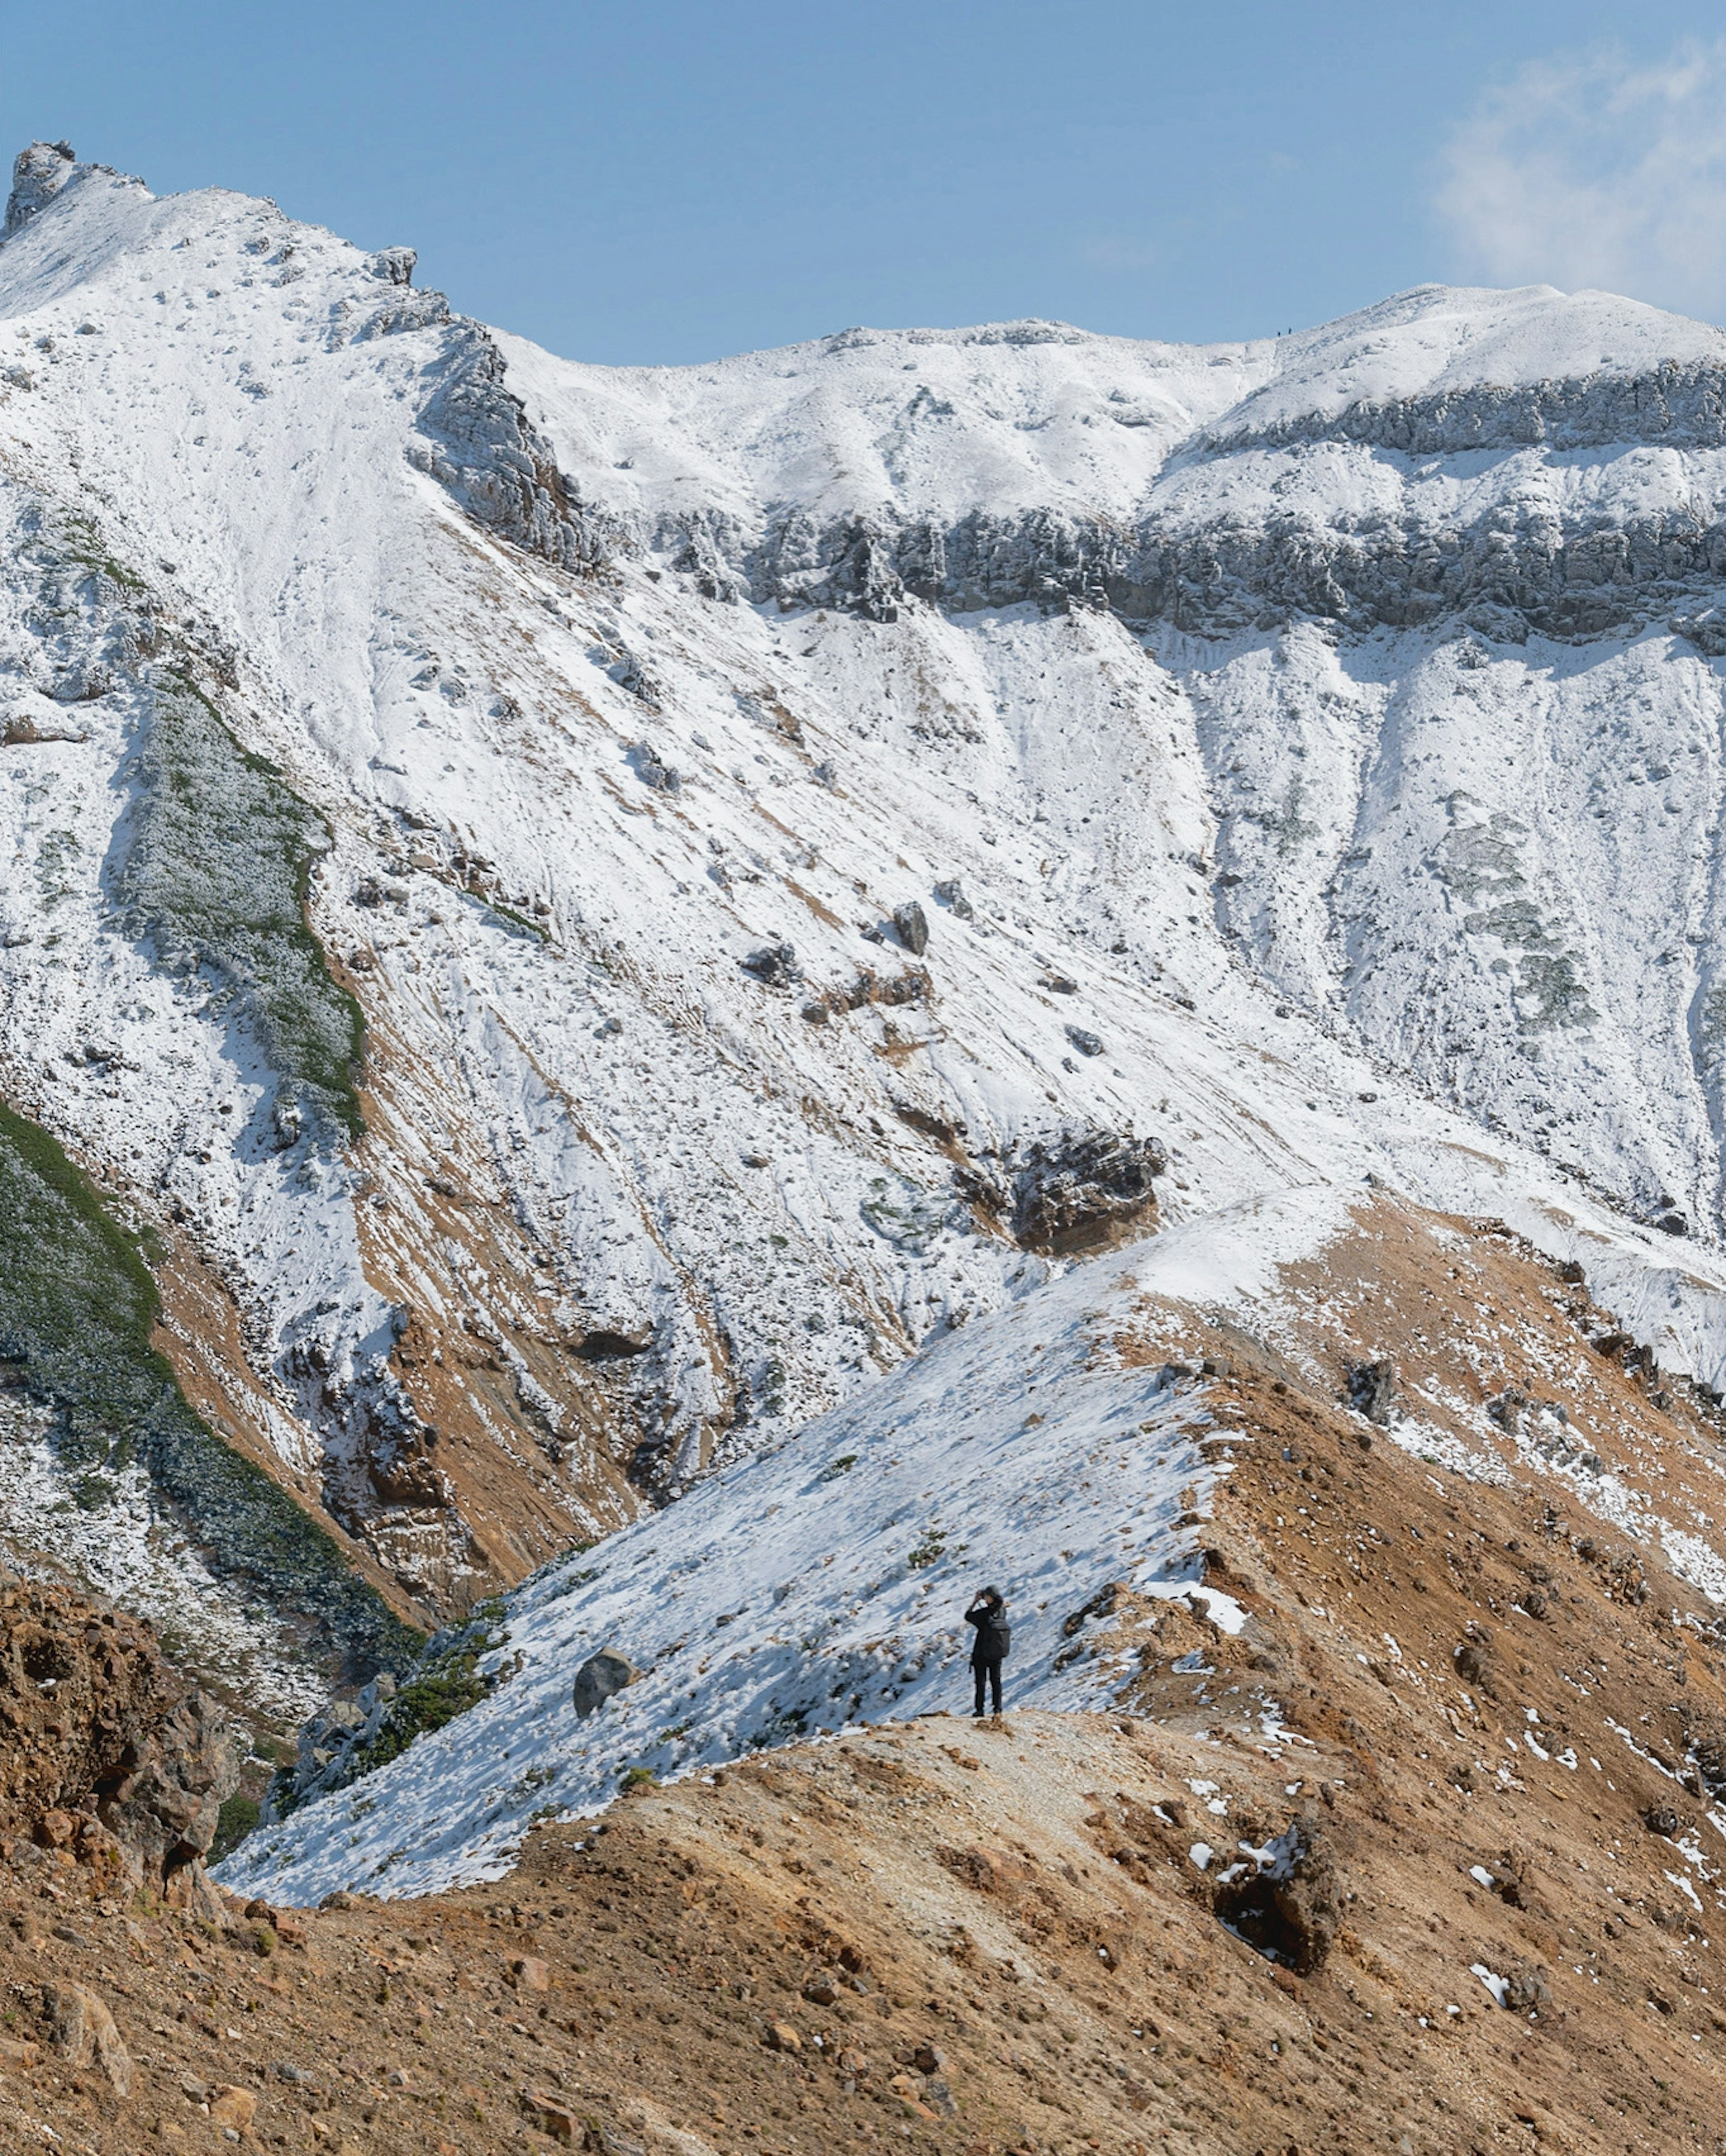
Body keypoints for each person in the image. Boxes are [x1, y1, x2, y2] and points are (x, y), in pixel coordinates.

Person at [964, 1586, 1010, 1718]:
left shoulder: (984, 1614)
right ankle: (998, 1709)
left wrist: (975, 1602)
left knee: (981, 1682)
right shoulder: (1002, 1612)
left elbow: (968, 1616)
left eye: (986, 1596)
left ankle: (980, 1710)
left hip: (982, 1653)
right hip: (997, 1653)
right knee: (996, 1681)